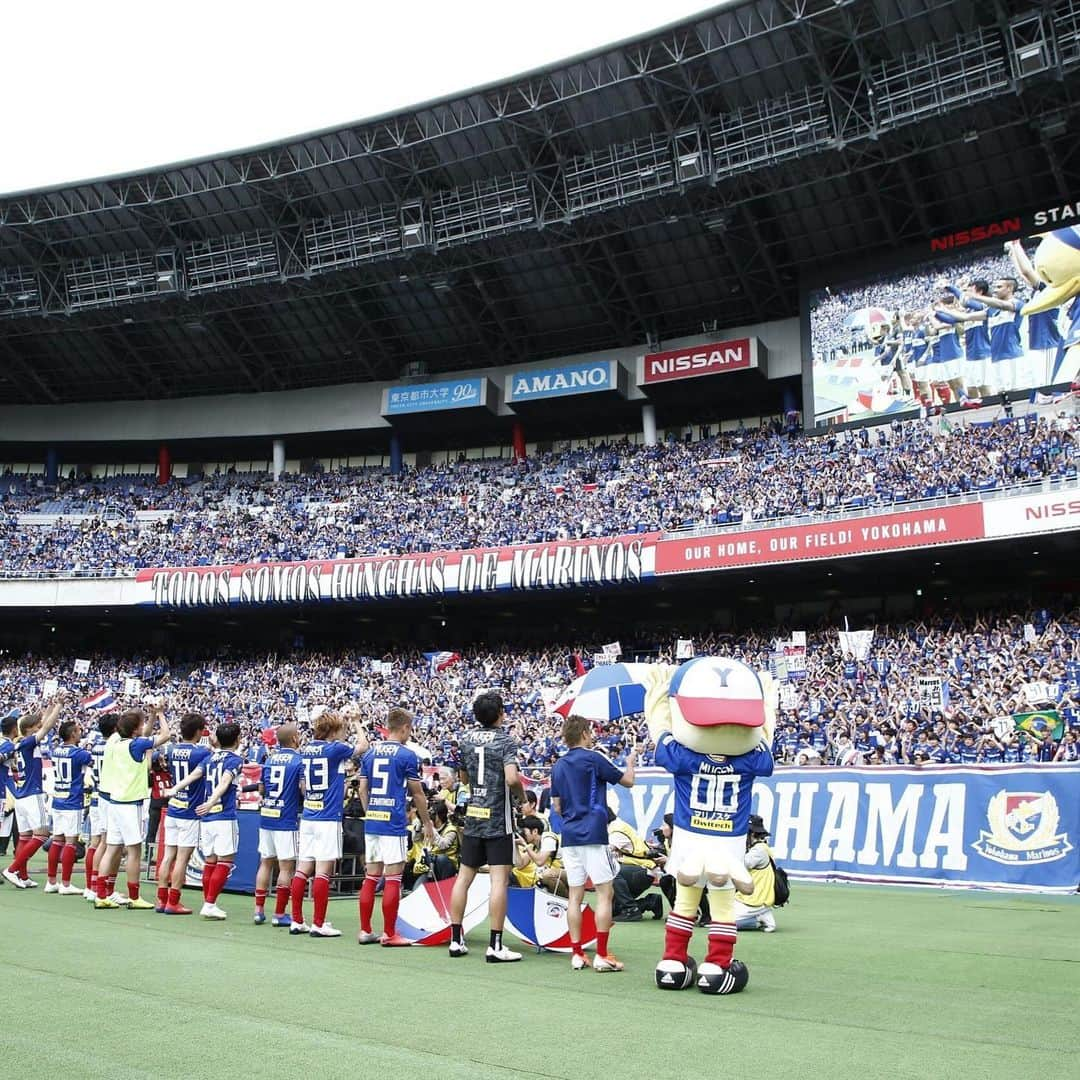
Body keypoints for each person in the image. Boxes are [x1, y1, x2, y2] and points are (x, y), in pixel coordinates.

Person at [550, 713, 637, 972]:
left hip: (570, 835)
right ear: (585, 734)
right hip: (594, 833)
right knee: (604, 894)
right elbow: (628, 781)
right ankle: (601, 954)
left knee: (575, 896)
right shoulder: (594, 758)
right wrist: (631, 762)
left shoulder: (558, 766)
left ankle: (577, 953)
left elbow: (556, 805)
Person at [448, 690, 524, 963]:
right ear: (500, 714)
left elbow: (464, 776)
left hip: (473, 816)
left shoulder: (465, 739)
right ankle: (496, 944)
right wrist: (523, 799)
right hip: (497, 818)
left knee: (464, 878)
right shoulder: (506, 741)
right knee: (498, 881)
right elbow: (512, 778)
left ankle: (456, 939)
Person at [357, 707, 434, 945]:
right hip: (393, 822)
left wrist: (370, 812)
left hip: (373, 821)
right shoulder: (407, 755)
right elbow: (418, 794)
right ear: (405, 728)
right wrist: (428, 822)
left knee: (371, 876)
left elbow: (362, 788)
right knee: (393, 877)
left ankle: (365, 930)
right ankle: (390, 934)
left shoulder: (369, 754)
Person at [290, 708, 369, 938]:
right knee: (324, 871)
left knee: (302, 869)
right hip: (327, 817)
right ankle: (319, 923)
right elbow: (363, 746)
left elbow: (304, 787)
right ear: (333, 730)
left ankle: (297, 920)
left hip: (309, 815)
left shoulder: (307, 749)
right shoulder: (335, 748)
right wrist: (355, 723)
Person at [94, 705, 171, 910]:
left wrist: (152, 716)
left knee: (111, 849)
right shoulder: (135, 746)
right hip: (130, 802)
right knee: (134, 850)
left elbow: (143, 735)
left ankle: (101, 894)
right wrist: (161, 714)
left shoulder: (115, 741)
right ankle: (134, 896)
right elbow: (166, 735)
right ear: (135, 729)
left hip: (114, 801)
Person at [2, 693, 66, 889]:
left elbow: (42, 722)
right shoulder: (29, 742)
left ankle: (22, 875)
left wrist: (50, 706)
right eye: (36, 727)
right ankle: (12, 869)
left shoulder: (19, 744)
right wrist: (59, 706)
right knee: (42, 835)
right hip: (32, 793)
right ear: (29, 730)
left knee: (25, 837)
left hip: (20, 795)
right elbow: (46, 727)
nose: (40, 728)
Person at [156, 713, 213, 915]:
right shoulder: (202, 753)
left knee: (168, 856)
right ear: (199, 731)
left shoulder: (172, 750)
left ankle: (161, 899)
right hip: (189, 812)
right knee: (182, 859)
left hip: (173, 807)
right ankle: (173, 901)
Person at [254, 722, 303, 927]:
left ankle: (258, 910)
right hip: (286, 817)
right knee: (286, 867)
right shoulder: (299, 761)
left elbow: (261, 789)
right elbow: (303, 789)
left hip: (267, 814)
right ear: (293, 739)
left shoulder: (270, 759)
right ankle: (280, 913)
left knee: (265, 862)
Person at [194, 722, 245, 920]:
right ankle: (210, 903)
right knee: (225, 860)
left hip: (208, 818)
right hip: (223, 814)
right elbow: (224, 783)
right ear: (237, 739)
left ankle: (208, 902)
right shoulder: (235, 760)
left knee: (210, 861)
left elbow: (194, 776)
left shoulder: (210, 758)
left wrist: (174, 789)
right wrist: (210, 802)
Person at [45, 719, 92, 895]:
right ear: (73, 734)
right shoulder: (79, 753)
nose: (81, 733)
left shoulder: (55, 751)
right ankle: (65, 883)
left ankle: (51, 881)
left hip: (58, 799)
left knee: (57, 839)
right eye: (79, 731)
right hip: (72, 801)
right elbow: (92, 762)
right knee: (70, 842)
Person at [83, 713, 119, 901]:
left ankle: (91, 886)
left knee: (95, 843)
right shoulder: (114, 747)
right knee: (106, 843)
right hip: (107, 798)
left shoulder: (96, 746)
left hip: (96, 796)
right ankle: (98, 887)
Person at [608, 808, 664, 922]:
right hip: (638, 871)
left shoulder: (616, 830)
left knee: (611, 871)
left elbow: (606, 855)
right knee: (613, 911)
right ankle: (650, 902)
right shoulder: (616, 825)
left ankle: (631, 909)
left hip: (642, 870)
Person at [733, 815, 777, 933]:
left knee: (723, 922)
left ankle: (757, 920)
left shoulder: (758, 851)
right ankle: (763, 914)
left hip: (753, 899)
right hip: (757, 897)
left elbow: (740, 865)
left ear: (751, 834)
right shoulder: (762, 847)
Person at [512, 815, 565, 896]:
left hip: (567, 875)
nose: (522, 834)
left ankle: (566, 900)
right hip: (554, 875)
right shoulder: (533, 845)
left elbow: (540, 861)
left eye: (524, 831)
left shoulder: (548, 838)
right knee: (513, 873)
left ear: (535, 831)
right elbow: (520, 865)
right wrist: (515, 844)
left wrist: (524, 844)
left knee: (546, 874)